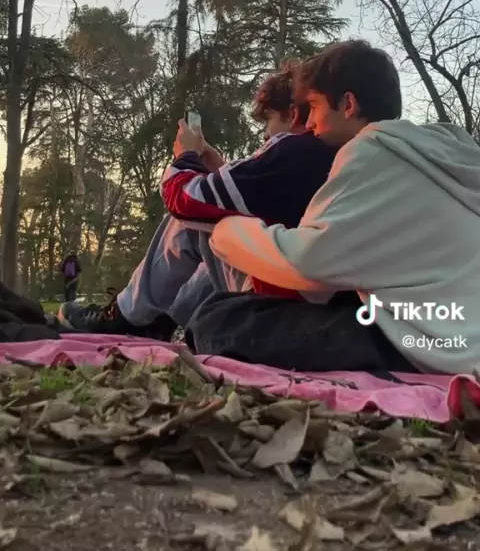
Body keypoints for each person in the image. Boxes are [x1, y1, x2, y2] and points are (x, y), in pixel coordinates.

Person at [186, 39, 480, 376]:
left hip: (426, 346)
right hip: (459, 335)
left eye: (313, 106)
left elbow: (306, 264)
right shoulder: (445, 152)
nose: (309, 122)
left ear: (348, 104)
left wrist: (228, 231)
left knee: (219, 317)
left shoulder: (372, 151)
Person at [58, 64, 338, 336]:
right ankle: (161, 321)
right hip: (318, 297)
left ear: (292, 114)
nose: (265, 134)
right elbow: (260, 202)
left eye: (269, 120)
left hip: (287, 302)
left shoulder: (295, 149)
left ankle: (125, 316)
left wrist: (185, 157)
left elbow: (185, 200)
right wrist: (217, 167)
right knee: (219, 228)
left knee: (194, 225)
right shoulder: (331, 154)